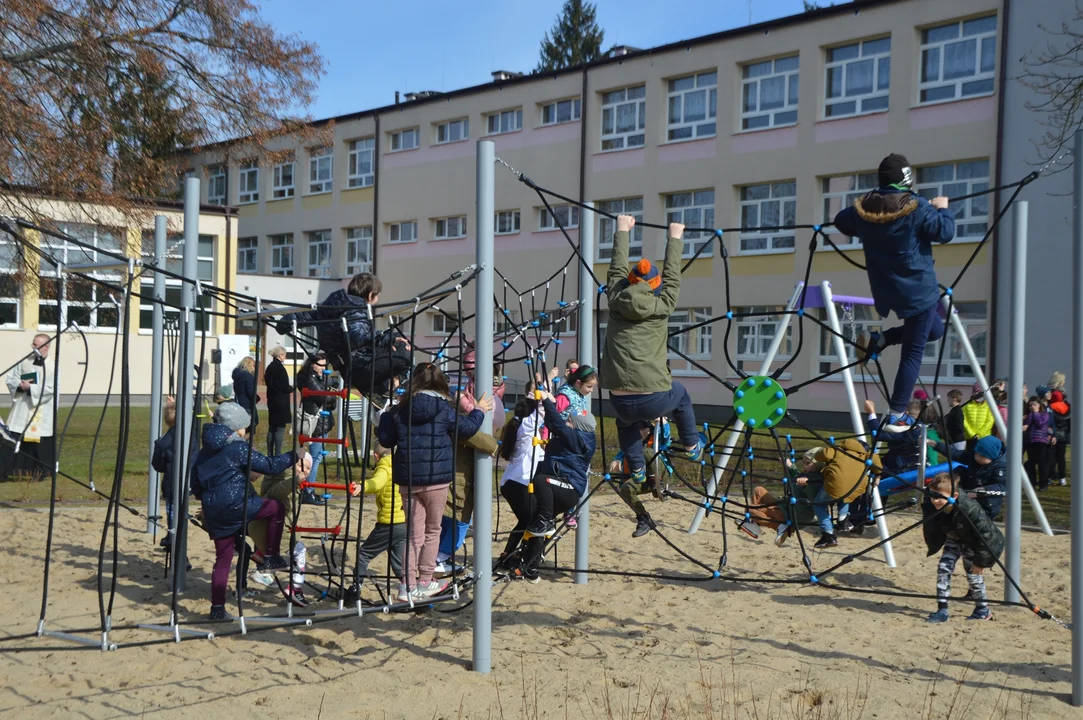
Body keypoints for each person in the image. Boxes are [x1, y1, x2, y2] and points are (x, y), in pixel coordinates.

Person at [833, 154, 955, 424]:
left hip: (887, 288)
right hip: (919, 289)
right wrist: (942, 208)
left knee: (935, 330)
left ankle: (882, 339)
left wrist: (869, 209)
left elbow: (841, 221)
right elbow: (945, 232)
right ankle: (897, 412)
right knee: (913, 352)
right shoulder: (918, 207)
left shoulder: (865, 209)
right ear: (907, 180)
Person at [601, 215, 702, 484]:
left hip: (619, 398)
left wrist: (622, 229)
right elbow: (673, 276)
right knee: (681, 396)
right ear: (655, 289)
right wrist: (675, 237)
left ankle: (636, 468)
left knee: (625, 424)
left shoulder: (614, 301)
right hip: (654, 396)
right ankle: (692, 446)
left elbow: (616, 268)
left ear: (628, 282)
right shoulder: (662, 306)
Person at [377, 363, 490, 601]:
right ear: (440, 383)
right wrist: (478, 410)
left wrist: (386, 417)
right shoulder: (444, 407)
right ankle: (426, 580)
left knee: (412, 533)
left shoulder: (400, 410)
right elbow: (467, 429)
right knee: (432, 530)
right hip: (437, 479)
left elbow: (386, 441)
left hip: (408, 479)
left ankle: (406, 586)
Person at [191, 402, 303, 621]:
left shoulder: (204, 451)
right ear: (237, 427)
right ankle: (270, 555)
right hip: (238, 504)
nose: (246, 431)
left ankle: (217, 608)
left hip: (213, 510)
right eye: (244, 427)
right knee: (275, 508)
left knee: (222, 558)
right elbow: (269, 466)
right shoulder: (237, 447)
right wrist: (294, 455)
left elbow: (196, 485)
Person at [281, 272, 411, 396]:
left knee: (394, 340)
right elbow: (358, 336)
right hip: (360, 366)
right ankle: (396, 388)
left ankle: (382, 389)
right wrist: (387, 338)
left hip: (346, 367)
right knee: (405, 351)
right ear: (371, 295)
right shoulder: (357, 309)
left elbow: (299, 317)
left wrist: (282, 324)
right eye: (378, 295)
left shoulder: (327, 307)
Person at [522, 392, 598, 580]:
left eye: (570, 422)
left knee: (541, 481)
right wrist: (544, 403)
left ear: (577, 426)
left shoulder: (580, 439)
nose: (567, 424)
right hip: (559, 486)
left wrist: (548, 401)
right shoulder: (571, 436)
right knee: (536, 523)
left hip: (569, 488)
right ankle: (531, 568)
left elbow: (558, 425)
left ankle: (546, 521)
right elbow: (552, 424)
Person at [923, 472, 1004, 623]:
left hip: (977, 543)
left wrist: (981, 562)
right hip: (955, 539)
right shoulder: (933, 504)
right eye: (932, 496)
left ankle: (982, 609)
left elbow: (986, 536)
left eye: (939, 497)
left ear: (953, 496)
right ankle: (942, 609)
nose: (935, 501)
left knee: (973, 575)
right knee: (943, 568)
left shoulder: (970, 510)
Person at [343, 442, 406, 603]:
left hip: (389, 522)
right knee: (398, 564)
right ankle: (412, 588)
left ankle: (354, 591)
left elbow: (377, 482)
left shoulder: (384, 467)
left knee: (364, 553)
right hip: (404, 522)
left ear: (376, 456)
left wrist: (362, 486)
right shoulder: (401, 463)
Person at [793, 440, 881, 549]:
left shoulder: (837, 450)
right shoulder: (864, 454)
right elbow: (876, 460)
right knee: (845, 496)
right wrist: (878, 476)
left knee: (818, 504)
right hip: (858, 484)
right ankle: (843, 518)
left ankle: (828, 535)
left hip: (837, 482)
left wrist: (830, 450)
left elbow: (822, 455)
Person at [496, 392, 546, 573]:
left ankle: (508, 554)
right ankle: (524, 560)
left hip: (512, 483)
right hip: (517, 485)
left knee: (525, 521)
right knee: (535, 521)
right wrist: (545, 388)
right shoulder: (526, 430)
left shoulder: (521, 430)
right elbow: (541, 411)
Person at [1, 334, 55, 482]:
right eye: (33, 344)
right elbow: (11, 378)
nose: (33, 347)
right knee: (12, 438)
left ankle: (40, 472)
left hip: (40, 410)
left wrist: (30, 387)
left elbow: (51, 389)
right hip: (22, 407)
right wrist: (19, 385)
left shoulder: (52, 367)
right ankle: (7, 471)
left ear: (46, 347)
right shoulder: (24, 362)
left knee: (38, 444)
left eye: (36, 345)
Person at [608, 418, 668, 538]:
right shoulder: (633, 442)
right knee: (625, 489)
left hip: (660, 474)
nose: (640, 433)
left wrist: (664, 424)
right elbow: (623, 452)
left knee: (646, 451)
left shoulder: (657, 439)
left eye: (642, 430)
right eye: (637, 430)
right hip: (644, 478)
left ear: (648, 429)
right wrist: (617, 459)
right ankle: (644, 519)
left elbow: (665, 435)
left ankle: (657, 485)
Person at [295, 353, 335, 505]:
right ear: (312, 364)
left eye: (326, 365)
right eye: (321, 365)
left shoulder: (316, 378)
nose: (324, 368)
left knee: (315, 457)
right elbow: (326, 397)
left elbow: (331, 399)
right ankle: (307, 491)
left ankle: (308, 489)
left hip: (320, 420)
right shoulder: (310, 378)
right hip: (316, 422)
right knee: (315, 458)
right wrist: (331, 395)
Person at [955, 435, 1007, 521]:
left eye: (982, 456)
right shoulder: (974, 460)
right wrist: (935, 444)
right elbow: (954, 453)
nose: (977, 458)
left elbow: (1003, 486)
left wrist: (984, 490)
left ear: (992, 456)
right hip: (970, 501)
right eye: (976, 454)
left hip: (988, 505)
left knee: (981, 528)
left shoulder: (1001, 467)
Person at [264, 347, 294, 456]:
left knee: (272, 427)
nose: (285, 356)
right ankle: (277, 454)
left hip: (272, 400)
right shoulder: (279, 369)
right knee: (280, 428)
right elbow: (283, 385)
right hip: (280, 401)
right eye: (283, 354)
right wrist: (291, 388)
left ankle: (270, 453)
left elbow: (268, 382)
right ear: (279, 355)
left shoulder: (270, 368)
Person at [1023, 396, 1056, 491]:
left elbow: (1039, 424)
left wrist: (1036, 413)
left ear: (1039, 405)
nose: (1032, 407)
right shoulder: (1029, 415)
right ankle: (1032, 483)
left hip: (1041, 441)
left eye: (1034, 405)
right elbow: (1027, 425)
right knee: (1031, 464)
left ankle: (1043, 484)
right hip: (1031, 441)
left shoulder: (1044, 414)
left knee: (1042, 464)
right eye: (1030, 405)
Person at [231, 356, 259, 429]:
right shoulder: (248, 376)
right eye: (253, 365)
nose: (254, 368)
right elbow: (251, 392)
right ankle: (243, 440)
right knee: (251, 426)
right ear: (249, 365)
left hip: (238, 400)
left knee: (241, 426)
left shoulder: (236, 374)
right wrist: (257, 398)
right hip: (247, 403)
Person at [1050, 389, 1070, 486]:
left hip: (1053, 435)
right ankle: (1062, 478)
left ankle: (1052, 475)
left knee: (1052, 457)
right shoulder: (1067, 407)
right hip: (1064, 435)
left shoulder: (1051, 407)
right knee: (1061, 458)